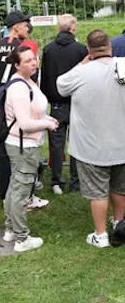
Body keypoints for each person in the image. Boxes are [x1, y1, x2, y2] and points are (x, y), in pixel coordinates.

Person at [57, 29, 125, 248]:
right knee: (119, 187)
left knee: (97, 192)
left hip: (90, 146)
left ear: (88, 49)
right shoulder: (122, 65)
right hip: (122, 143)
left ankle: (100, 234)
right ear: (110, 46)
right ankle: (119, 223)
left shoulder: (79, 73)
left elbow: (60, 85)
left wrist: (81, 63)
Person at [1, 46, 59, 253]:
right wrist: (47, 125)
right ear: (17, 65)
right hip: (23, 146)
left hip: (23, 143)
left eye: (33, 59)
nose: (33, 63)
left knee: (14, 187)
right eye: (27, 61)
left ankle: (10, 229)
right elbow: (25, 123)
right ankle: (21, 238)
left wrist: (45, 118)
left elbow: (31, 113)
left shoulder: (28, 82)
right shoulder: (19, 88)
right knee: (20, 192)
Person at [40, 14, 86, 195]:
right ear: (73, 28)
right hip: (78, 102)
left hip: (57, 104)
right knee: (77, 143)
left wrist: (49, 98)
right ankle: (76, 182)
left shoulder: (48, 49)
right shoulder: (81, 50)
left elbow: (44, 79)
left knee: (56, 144)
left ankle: (56, 181)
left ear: (59, 28)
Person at [0, 11, 30, 200]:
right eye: (24, 24)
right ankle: (23, 189)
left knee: (2, 149)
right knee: (21, 144)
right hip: (17, 99)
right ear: (15, 27)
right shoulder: (22, 48)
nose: (27, 27)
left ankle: (4, 191)